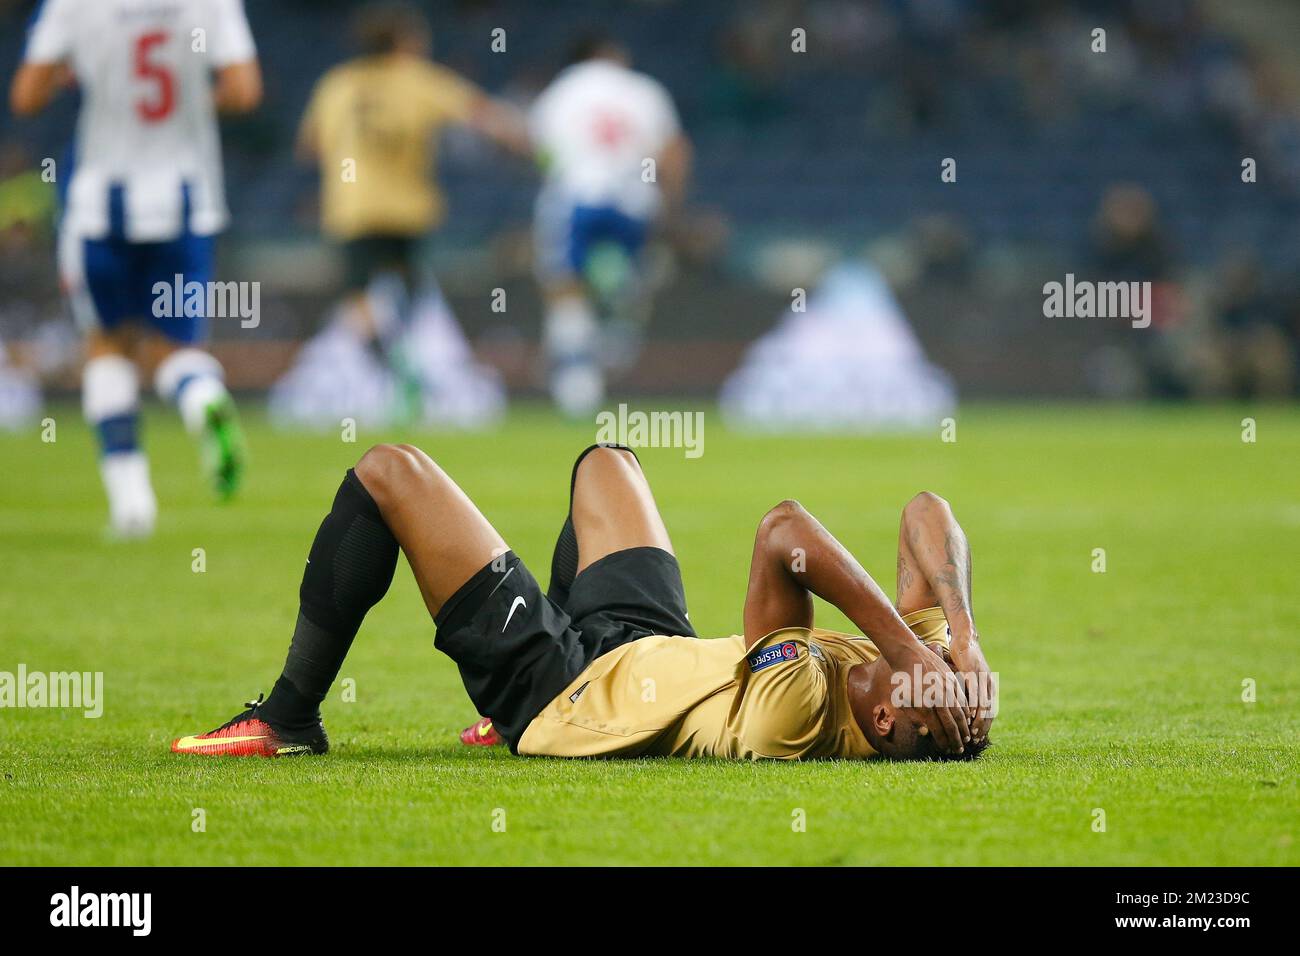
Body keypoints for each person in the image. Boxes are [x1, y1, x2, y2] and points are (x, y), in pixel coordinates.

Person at [172, 443, 994, 761]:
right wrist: (961, 635)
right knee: (610, 463)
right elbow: (928, 511)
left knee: (391, 473)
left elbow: (785, 533)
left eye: (934, 688)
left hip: (566, 691)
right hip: (650, 649)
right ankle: (535, 641)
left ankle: (288, 718)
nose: (939, 677)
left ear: (886, 720)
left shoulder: (800, 712)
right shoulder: (913, 682)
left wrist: (908, 649)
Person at [9, 0, 261, 537]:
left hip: (101, 206)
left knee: (106, 346)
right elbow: (243, 90)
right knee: (177, 349)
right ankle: (205, 398)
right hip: (186, 203)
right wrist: (190, 105)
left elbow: (26, 96)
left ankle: (132, 506)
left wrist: (75, 68)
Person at [295, 0, 527, 419]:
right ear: (404, 40)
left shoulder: (338, 83)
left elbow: (309, 145)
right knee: (414, 297)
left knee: (360, 300)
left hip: (352, 210)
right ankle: (409, 373)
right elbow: (482, 115)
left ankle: (386, 369)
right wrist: (523, 143)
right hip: (406, 210)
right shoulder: (416, 78)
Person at [530, 35, 691, 415]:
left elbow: (540, 152)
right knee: (627, 280)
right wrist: (672, 208)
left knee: (564, 285)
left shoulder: (561, 92)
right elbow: (674, 151)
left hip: (577, 197)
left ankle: (577, 388)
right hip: (634, 200)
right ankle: (622, 320)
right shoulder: (644, 90)